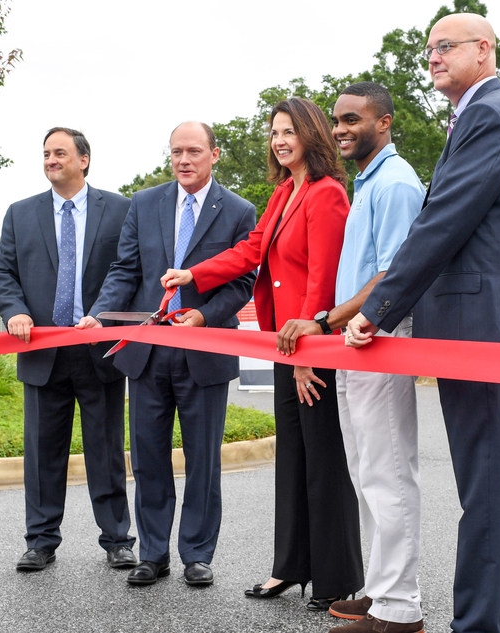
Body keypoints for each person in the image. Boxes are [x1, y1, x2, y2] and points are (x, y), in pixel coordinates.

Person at [345, 13, 500, 633]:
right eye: (430, 48)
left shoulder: (489, 115)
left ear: (484, 50)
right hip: (499, 326)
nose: (433, 57)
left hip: (486, 329)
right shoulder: (490, 114)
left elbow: (442, 224)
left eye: (446, 46)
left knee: (490, 490)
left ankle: (485, 624)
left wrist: (378, 311)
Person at [161, 98, 363, 610]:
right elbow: (252, 250)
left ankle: (335, 579)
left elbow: (323, 279)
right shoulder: (283, 193)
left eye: (289, 131)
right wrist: (195, 273)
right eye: (274, 132)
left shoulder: (327, 195)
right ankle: (289, 569)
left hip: (311, 348)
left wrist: (308, 354)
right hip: (284, 344)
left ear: (311, 135)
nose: (279, 140)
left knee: (322, 463)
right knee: (292, 461)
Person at [76, 122, 256, 587]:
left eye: (194, 151)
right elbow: (125, 269)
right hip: (148, 351)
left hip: (204, 351)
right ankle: (152, 554)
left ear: (215, 154)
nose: (183, 160)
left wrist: (205, 317)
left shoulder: (238, 210)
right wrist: (100, 313)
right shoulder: (145, 202)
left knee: (202, 460)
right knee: (150, 457)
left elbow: (241, 281)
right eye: (176, 151)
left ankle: (197, 553)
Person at [275, 83, 425, 633]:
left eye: (352, 120)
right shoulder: (369, 182)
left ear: (383, 122)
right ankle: (382, 590)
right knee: (366, 472)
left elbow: (393, 275)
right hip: (352, 341)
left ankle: (400, 610)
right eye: (336, 119)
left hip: (378, 338)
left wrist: (323, 321)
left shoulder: (397, 185)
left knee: (388, 474)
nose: (340, 128)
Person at [0, 127, 136, 573]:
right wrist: (14, 310)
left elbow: (128, 269)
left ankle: (116, 540)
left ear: (83, 159)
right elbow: (2, 273)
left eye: (60, 152)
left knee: (106, 450)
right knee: (42, 453)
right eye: (46, 153)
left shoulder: (121, 210)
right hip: (41, 352)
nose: (51, 160)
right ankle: (40, 541)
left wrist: (104, 312)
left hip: (99, 349)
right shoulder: (20, 213)